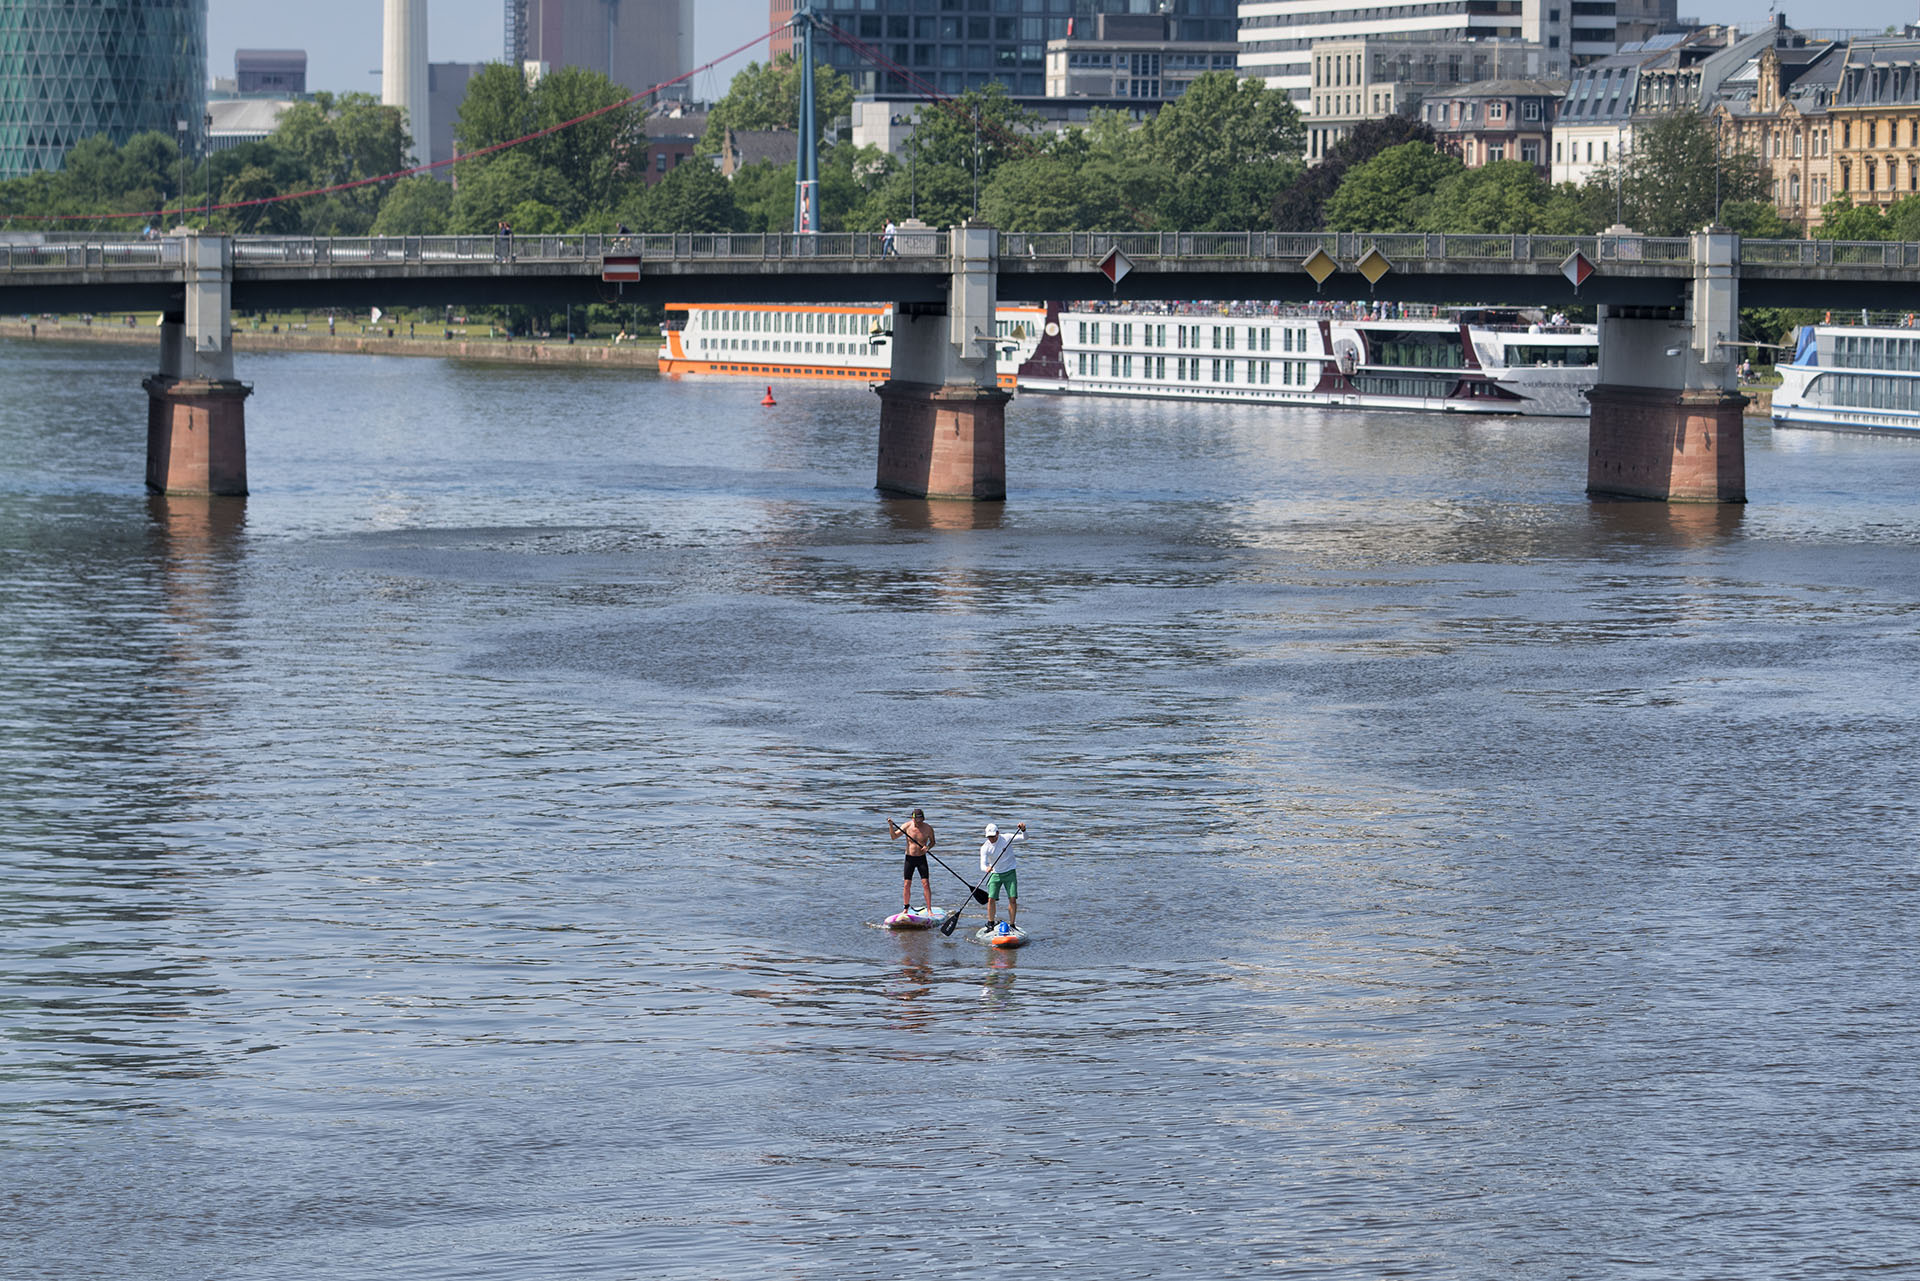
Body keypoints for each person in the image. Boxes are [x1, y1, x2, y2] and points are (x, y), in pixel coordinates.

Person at [978, 821, 1027, 934]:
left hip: (1010, 872)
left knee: (1012, 899)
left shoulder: (1007, 838)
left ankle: (1012, 924)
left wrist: (1024, 830)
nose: (991, 839)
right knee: (991, 899)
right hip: (995, 874)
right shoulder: (985, 847)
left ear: (998, 833)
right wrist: (986, 868)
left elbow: (1025, 838)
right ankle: (990, 923)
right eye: (989, 837)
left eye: (993, 836)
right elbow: (982, 865)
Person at [888, 809, 936, 914]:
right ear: (912, 818)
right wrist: (891, 826)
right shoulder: (906, 826)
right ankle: (906, 908)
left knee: (926, 883)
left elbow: (933, 842)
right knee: (907, 884)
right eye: (916, 820)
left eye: (920, 820)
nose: (918, 822)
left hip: (921, 858)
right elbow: (893, 837)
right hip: (909, 858)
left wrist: (928, 847)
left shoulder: (928, 828)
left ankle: (929, 909)